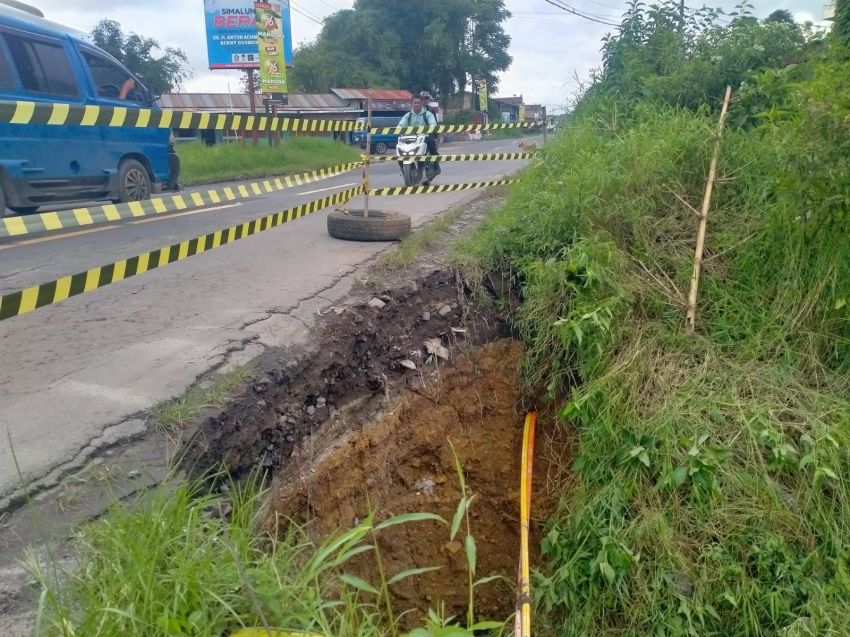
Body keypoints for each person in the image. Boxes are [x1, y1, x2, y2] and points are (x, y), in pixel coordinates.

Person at [398, 94, 441, 176]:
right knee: (399, 153)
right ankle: (404, 171)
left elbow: (433, 124)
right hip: (411, 139)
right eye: (415, 102)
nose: (417, 104)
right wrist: (400, 130)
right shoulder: (408, 116)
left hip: (424, 138)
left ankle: (435, 164)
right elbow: (400, 126)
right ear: (412, 103)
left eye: (418, 102)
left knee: (431, 142)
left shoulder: (428, 114)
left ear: (421, 103)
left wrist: (430, 129)